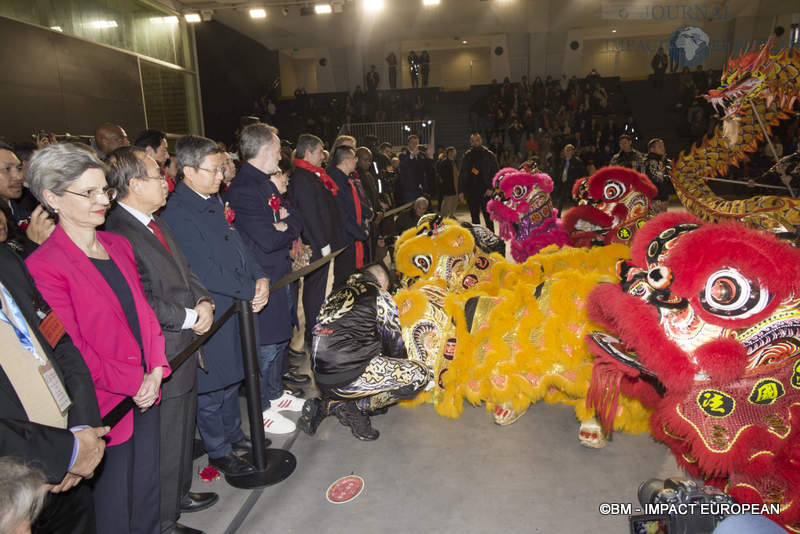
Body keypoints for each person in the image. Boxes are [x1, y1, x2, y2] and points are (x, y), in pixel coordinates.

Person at [25, 142, 171, 534]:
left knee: (147, 494)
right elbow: (70, 349)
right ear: (52, 198)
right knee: (114, 510)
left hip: (147, 388)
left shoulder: (117, 244)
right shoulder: (43, 266)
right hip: (106, 406)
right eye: (87, 192)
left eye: (103, 190)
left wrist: (155, 368)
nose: (102, 200)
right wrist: (133, 381)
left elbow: (145, 314)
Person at [104, 147, 219, 534]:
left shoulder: (155, 222)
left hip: (183, 345)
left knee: (181, 432)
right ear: (135, 184)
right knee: (164, 440)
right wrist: (189, 316)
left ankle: (177, 496)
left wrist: (203, 299)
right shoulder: (119, 232)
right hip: (161, 350)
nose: (166, 180)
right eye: (158, 175)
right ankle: (163, 521)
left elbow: (186, 271)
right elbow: (141, 299)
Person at [160, 136, 269, 478]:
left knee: (230, 376)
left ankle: (234, 434)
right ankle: (218, 449)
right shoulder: (178, 212)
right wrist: (248, 288)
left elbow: (236, 243)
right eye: (215, 169)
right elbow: (203, 269)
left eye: (222, 167)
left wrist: (259, 276)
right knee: (211, 387)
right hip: (212, 307)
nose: (222, 175)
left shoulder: (210, 199)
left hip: (233, 303)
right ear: (189, 170)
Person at [0, 241, 106, 534]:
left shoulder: (7, 260)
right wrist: (64, 453)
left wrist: (81, 432)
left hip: (71, 469)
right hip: (12, 492)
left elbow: (60, 342)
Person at [225, 124, 306, 435]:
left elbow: (295, 218)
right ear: (263, 151)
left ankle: (274, 393)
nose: (280, 156)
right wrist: (282, 227)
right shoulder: (245, 188)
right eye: (276, 150)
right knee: (266, 345)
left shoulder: (265, 184)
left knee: (280, 339)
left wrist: (286, 226)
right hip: (263, 278)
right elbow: (267, 238)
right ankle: (261, 408)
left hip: (279, 273)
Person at [298, 263, 430, 440]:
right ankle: (355, 407)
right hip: (347, 375)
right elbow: (395, 347)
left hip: (321, 375)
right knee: (419, 375)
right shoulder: (379, 295)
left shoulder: (337, 293)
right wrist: (403, 367)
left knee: (372, 352)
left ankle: (328, 404)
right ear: (382, 281)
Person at [287, 134, 345, 350]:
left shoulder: (313, 175)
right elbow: (310, 214)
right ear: (309, 152)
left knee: (319, 289)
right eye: (320, 151)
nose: (323, 156)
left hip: (322, 241)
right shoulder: (303, 178)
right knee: (314, 290)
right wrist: (322, 243)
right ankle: (313, 333)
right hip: (315, 243)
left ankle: (317, 327)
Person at [329, 146, 369, 289]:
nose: (356, 161)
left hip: (352, 236)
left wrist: (366, 216)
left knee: (352, 279)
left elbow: (355, 205)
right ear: (346, 161)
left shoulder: (346, 178)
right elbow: (342, 215)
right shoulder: (335, 180)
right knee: (343, 280)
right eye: (354, 158)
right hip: (345, 238)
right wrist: (360, 233)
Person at [0, 142, 54, 247]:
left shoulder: (30, 206)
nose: (19, 177)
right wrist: (33, 244)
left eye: (19, 169)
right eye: (7, 169)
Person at [458, 133, 498, 228]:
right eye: (473, 141)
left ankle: (492, 240)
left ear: (481, 141)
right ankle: (478, 241)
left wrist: (491, 188)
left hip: (486, 191)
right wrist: (461, 191)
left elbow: (496, 173)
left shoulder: (489, 155)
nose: (475, 143)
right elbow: (462, 173)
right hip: (471, 191)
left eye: (477, 140)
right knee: (475, 220)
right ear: (470, 142)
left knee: (488, 218)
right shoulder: (467, 156)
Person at [398, 135, 431, 204]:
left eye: (417, 143)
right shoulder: (403, 155)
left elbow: (428, 169)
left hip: (420, 188)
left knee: (421, 209)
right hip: (409, 188)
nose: (415, 145)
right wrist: (412, 155)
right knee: (410, 209)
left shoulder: (421, 155)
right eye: (413, 143)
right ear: (408, 144)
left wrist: (428, 156)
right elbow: (404, 166)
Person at [553, 144, 587, 212]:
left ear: (572, 152)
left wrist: (579, 182)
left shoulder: (577, 161)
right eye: (566, 150)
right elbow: (559, 171)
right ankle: (558, 214)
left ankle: (579, 212)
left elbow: (582, 173)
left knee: (572, 198)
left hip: (572, 182)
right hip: (563, 181)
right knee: (563, 198)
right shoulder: (562, 160)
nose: (567, 152)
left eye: (569, 150)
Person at [643, 138, 673, 213]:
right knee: (658, 220)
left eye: (663, 146)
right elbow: (659, 178)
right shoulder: (652, 162)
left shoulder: (661, 161)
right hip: (655, 198)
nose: (663, 148)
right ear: (652, 149)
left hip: (661, 196)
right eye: (660, 146)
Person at [437, 147, 459, 219]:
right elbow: (441, 174)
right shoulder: (444, 162)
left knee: (454, 200)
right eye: (452, 152)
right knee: (446, 201)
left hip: (455, 184)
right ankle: (443, 215)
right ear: (448, 153)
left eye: (454, 152)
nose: (453, 154)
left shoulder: (455, 161)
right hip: (448, 185)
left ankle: (452, 214)